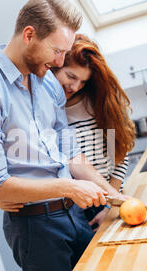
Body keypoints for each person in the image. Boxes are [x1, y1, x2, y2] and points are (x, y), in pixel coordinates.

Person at [0, 0, 128, 271]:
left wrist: (116, 197)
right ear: (29, 35)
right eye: (57, 51)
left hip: (74, 216)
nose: (61, 62)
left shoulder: (48, 82)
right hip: (34, 229)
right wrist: (68, 187)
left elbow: (72, 155)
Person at [52, 34, 136, 230]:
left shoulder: (99, 104)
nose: (75, 87)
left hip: (110, 200)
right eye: (71, 76)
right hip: (75, 211)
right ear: (56, 66)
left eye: (82, 82)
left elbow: (120, 156)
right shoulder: (50, 112)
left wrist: (109, 205)